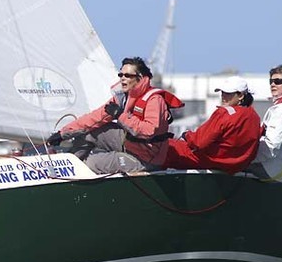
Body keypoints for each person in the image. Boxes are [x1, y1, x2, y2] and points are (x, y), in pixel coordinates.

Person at [46, 57, 183, 174]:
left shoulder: (154, 100)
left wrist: (121, 115)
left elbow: (149, 131)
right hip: (128, 144)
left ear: (139, 78)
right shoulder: (123, 97)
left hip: (146, 159)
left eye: (127, 76)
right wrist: (63, 133)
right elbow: (94, 118)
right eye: (121, 75)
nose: (123, 78)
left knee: (91, 164)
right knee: (88, 132)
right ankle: (67, 165)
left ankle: (79, 169)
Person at [163, 75, 261, 174]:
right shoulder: (255, 117)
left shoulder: (225, 113)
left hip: (211, 160)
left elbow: (199, 142)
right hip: (237, 166)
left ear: (240, 95)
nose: (223, 96)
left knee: (165, 147)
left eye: (228, 93)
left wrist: (187, 135)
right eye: (222, 92)